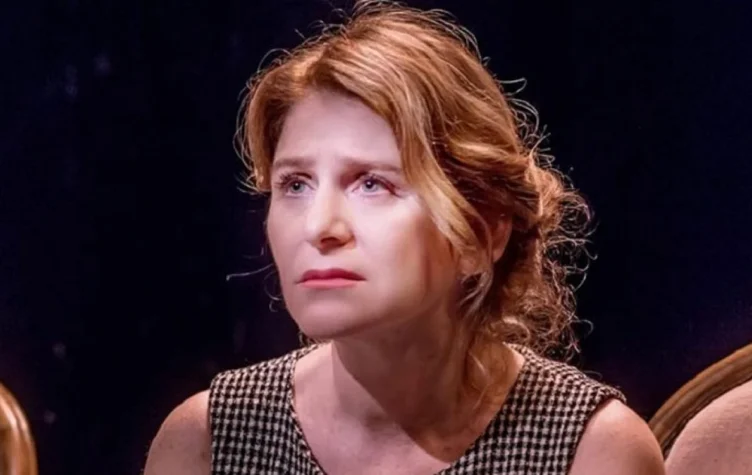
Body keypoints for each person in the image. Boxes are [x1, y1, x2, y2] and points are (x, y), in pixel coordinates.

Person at [144, 2, 664, 473]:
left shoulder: (589, 451)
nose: (319, 226)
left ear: (483, 230)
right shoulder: (208, 442)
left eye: (372, 184)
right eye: (295, 184)